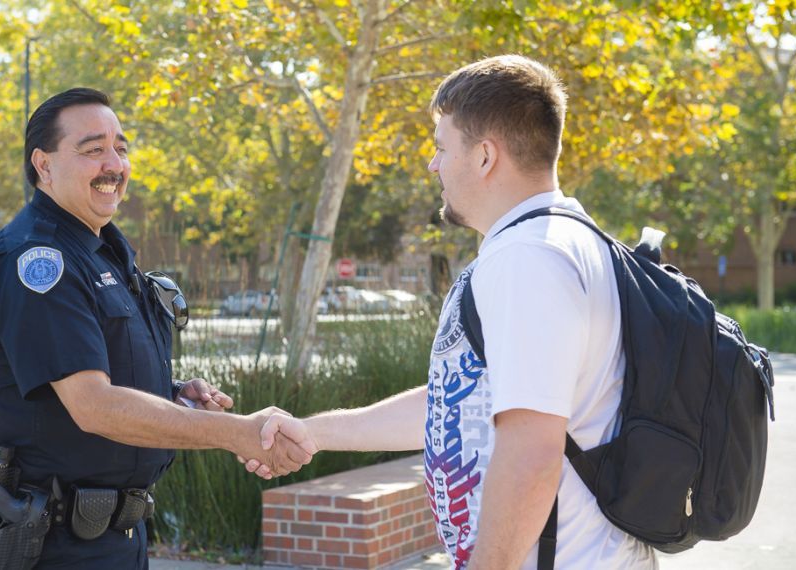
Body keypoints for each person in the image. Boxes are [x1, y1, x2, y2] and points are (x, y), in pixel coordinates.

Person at [248, 56, 658, 569]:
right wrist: (315, 431)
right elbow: (457, 402)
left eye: (442, 148)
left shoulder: (527, 260)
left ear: (485, 156)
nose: (432, 165)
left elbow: (533, 452)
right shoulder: (560, 241)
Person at [0, 87, 313, 570]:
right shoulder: (37, 262)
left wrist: (170, 393)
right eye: (93, 150)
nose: (114, 165)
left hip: (116, 538)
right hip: (50, 546)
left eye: (121, 148)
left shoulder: (102, 253)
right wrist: (235, 433)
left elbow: (97, 377)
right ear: (43, 165)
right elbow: (93, 406)